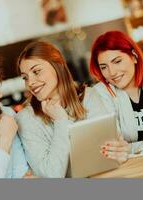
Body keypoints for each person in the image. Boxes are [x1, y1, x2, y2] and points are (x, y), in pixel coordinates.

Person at [15, 41, 111, 178]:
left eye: (36, 71)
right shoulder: (25, 118)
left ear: (58, 66)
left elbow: (108, 152)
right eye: (25, 78)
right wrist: (61, 121)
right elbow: (51, 175)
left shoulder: (89, 96)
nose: (30, 83)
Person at [90, 30, 143, 161]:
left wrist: (131, 147)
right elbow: (113, 147)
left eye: (117, 61)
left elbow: (124, 147)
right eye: (104, 67)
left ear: (133, 56)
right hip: (131, 168)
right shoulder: (101, 93)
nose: (112, 72)